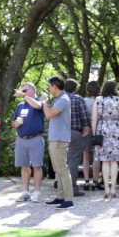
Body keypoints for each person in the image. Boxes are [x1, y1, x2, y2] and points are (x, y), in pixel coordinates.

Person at [42, 76, 74, 210]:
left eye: (50, 86)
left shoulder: (63, 100)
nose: (49, 89)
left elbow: (49, 115)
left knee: (62, 169)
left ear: (54, 86)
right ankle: (60, 197)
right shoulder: (59, 100)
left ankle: (68, 199)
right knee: (57, 170)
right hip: (55, 139)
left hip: (59, 140)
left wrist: (44, 102)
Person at [91, 81, 119, 199]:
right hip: (116, 130)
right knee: (114, 161)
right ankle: (114, 189)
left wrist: (94, 132)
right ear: (115, 88)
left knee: (105, 161)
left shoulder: (98, 100)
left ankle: (106, 189)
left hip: (102, 131)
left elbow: (94, 119)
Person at [12, 82, 46, 203]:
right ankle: (25, 192)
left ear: (33, 91)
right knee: (24, 166)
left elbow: (38, 106)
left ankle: (37, 192)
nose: (23, 93)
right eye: (23, 91)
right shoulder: (20, 106)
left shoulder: (39, 102)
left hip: (35, 138)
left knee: (37, 166)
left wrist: (24, 96)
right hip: (21, 139)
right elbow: (13, 121)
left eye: (25, 90)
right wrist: (15, 124)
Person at [65, 79, 91, 197]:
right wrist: (86, 127)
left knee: (61, 161)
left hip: (60, 133)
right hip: (75, 132)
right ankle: (72, 188)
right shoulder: (78, 99)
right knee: (73, 160)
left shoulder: (58, 99)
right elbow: (85, 115)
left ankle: (61, 186)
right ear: (75, 89)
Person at [83, 81, 102, 191]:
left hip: (86, 129)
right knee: (97, 156)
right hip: (98, 129)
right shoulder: (100, 101)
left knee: (86, 156)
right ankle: (95, 181)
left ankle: (86, 181)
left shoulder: (84, 101)